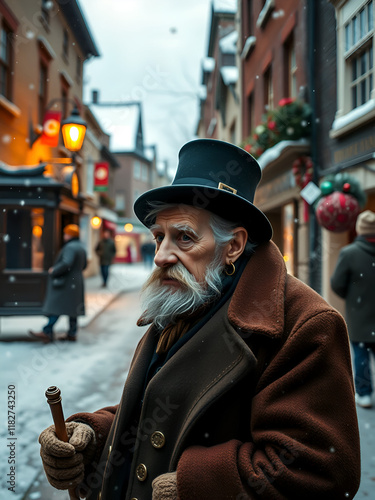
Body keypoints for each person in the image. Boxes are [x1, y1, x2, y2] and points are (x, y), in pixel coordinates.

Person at [38, 140, 360, 499]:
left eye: (184, 237)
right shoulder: (190, 293)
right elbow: (161, 411)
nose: (161, 256)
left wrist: (200, 486)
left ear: (233, 246)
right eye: (159, 237)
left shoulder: (305, 323)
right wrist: (94, 438)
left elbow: (320, 469)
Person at [331, 209, 375, 409]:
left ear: (359, 230)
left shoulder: (349, 253)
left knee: (361, 355)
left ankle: (364, 394)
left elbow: (337, 283)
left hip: (359, 315)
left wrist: (352, 296)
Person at [29, 224, 87, 343]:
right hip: (76, 282)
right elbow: (84, 265)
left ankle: (47, 331)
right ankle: (72, 333)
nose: (64, 236)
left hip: (66, 283)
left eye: (66, 233)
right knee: (73, 309)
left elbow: (66, 263)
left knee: (57, 308)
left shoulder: (70, 247)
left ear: (70, 235)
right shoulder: (80, 247)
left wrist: (54, 270)